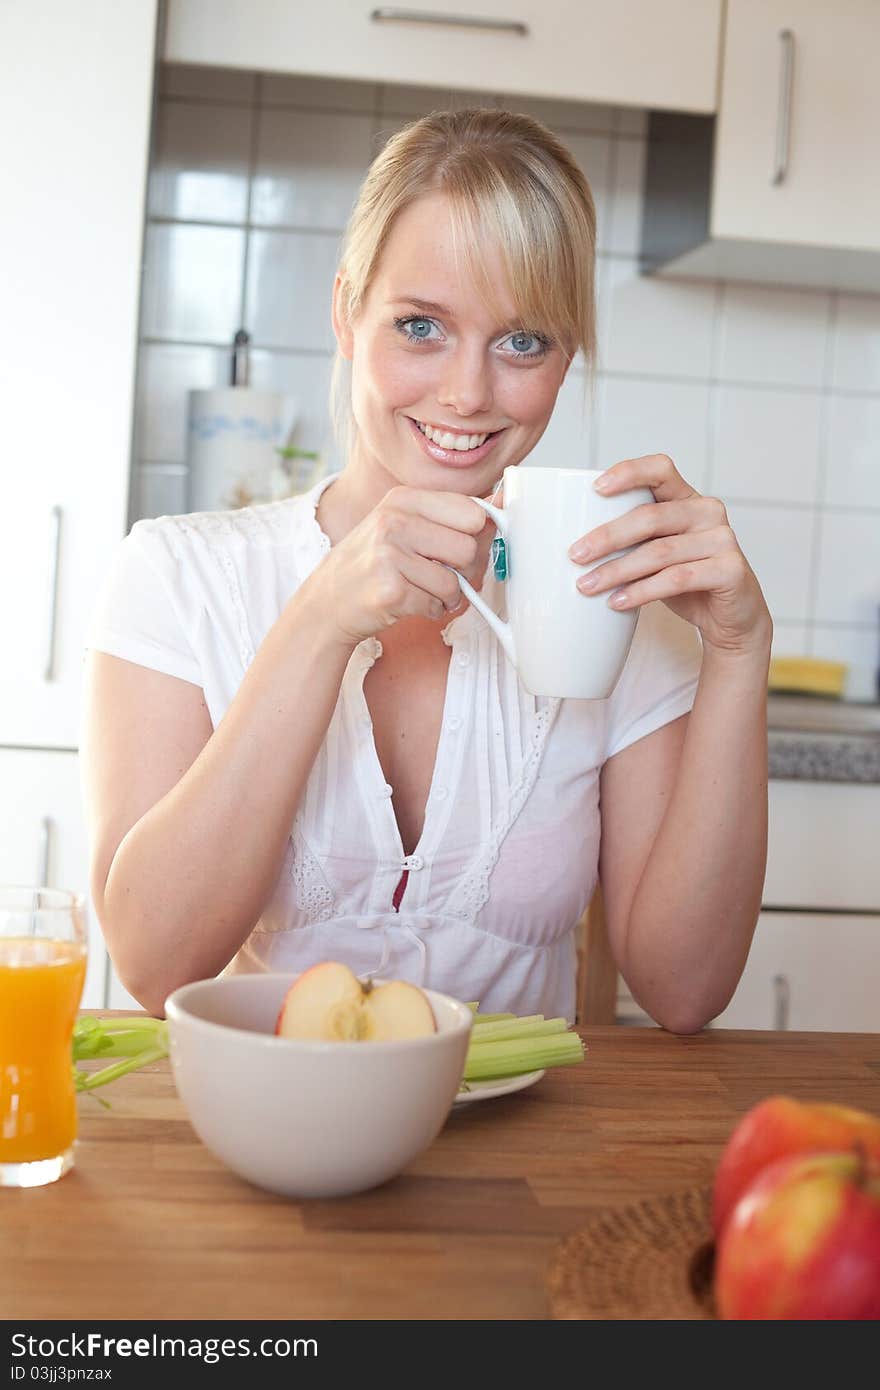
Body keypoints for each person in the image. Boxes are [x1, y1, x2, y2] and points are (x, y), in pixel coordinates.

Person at [81, 108, 772, 1031]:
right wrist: (322, 620)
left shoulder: (605, 611)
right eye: (420, 326)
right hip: (265, 1144)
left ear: (566, 359)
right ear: (345, 314)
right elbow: (154, 963)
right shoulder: (179, 575)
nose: (468, 393)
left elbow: (684, 994)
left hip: (524, 1164)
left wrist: (738, 650)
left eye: (523, 340)